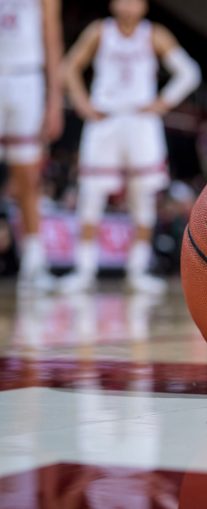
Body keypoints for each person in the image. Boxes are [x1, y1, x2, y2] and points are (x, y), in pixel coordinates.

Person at [61, 0, 200, 294]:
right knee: (91, 194)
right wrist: (82, 104)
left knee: (143, 197)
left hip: (140, 122)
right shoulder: (100, 31)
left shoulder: (154, 34)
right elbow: (69, 66)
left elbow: (189, 73)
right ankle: (83, 271)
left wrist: (163, 102)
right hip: (105, 119)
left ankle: (137, 271)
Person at [0, 0, 64, 292]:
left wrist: (55, 100)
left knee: (28, 176)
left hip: (27, 77)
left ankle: (33, 263)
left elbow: (51, 33)